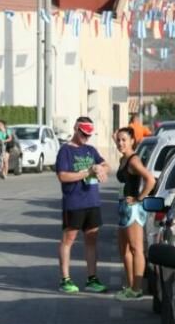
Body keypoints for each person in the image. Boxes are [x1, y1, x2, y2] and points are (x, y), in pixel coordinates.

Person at [55, 116, 111, 293]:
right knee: (68, 239)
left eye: (89, 135)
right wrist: (87, 172)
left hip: (92, 201)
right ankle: (65, 279)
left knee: (91, 240)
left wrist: (101, 168)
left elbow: (105, 164)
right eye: (83, 134)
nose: (86, 137)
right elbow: (62, 176)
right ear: (75, 129)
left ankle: (92, 279)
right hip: (74, 202)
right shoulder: (65, 151)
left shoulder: (90, 150)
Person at [113, 127, 156, 301]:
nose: (120, 143)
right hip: (123, 207)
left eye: (124, 140)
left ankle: (137, 289)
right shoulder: (123, 159)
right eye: (118, 140)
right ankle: (130, 287)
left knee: (136, 248)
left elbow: (150, 180)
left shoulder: (133, 160)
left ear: (132, 141)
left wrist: (139, 198)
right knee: (124, 249)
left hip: (133, 210)